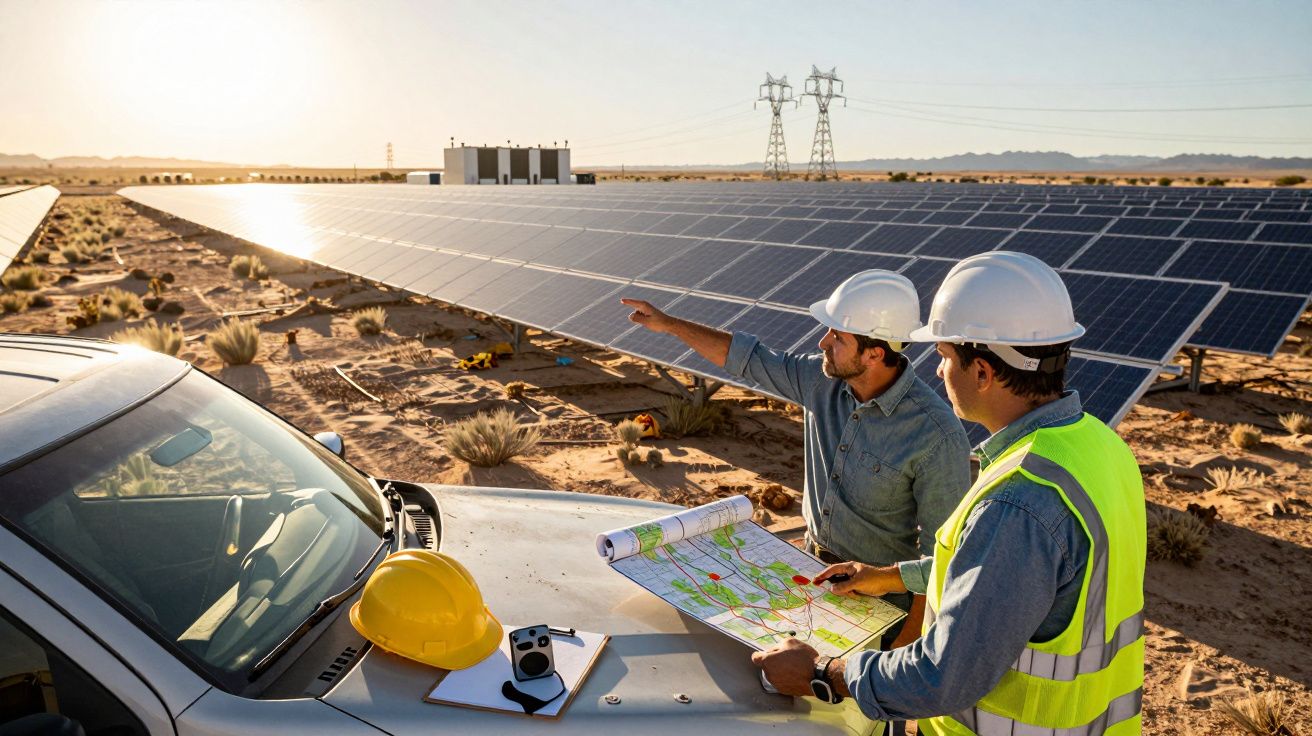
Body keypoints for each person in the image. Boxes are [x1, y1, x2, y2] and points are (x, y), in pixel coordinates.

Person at [752, 251, 1146, 736]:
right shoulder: (1100, 446)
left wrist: (820, 674)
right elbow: (1009, 575)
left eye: (942, 357)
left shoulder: (1019, 500)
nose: (936, 373)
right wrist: (892, 576)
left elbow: (942, 675)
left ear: (981, 371)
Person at [622, 270, 971, 645]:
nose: (822, 342)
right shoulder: (821, 380)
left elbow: (942, 558)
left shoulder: (936, 434)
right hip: (810, 575)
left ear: (874, 353)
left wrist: (907, 641)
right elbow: (747, 358)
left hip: (880, 609)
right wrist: (669, 324)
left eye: (837, 336)